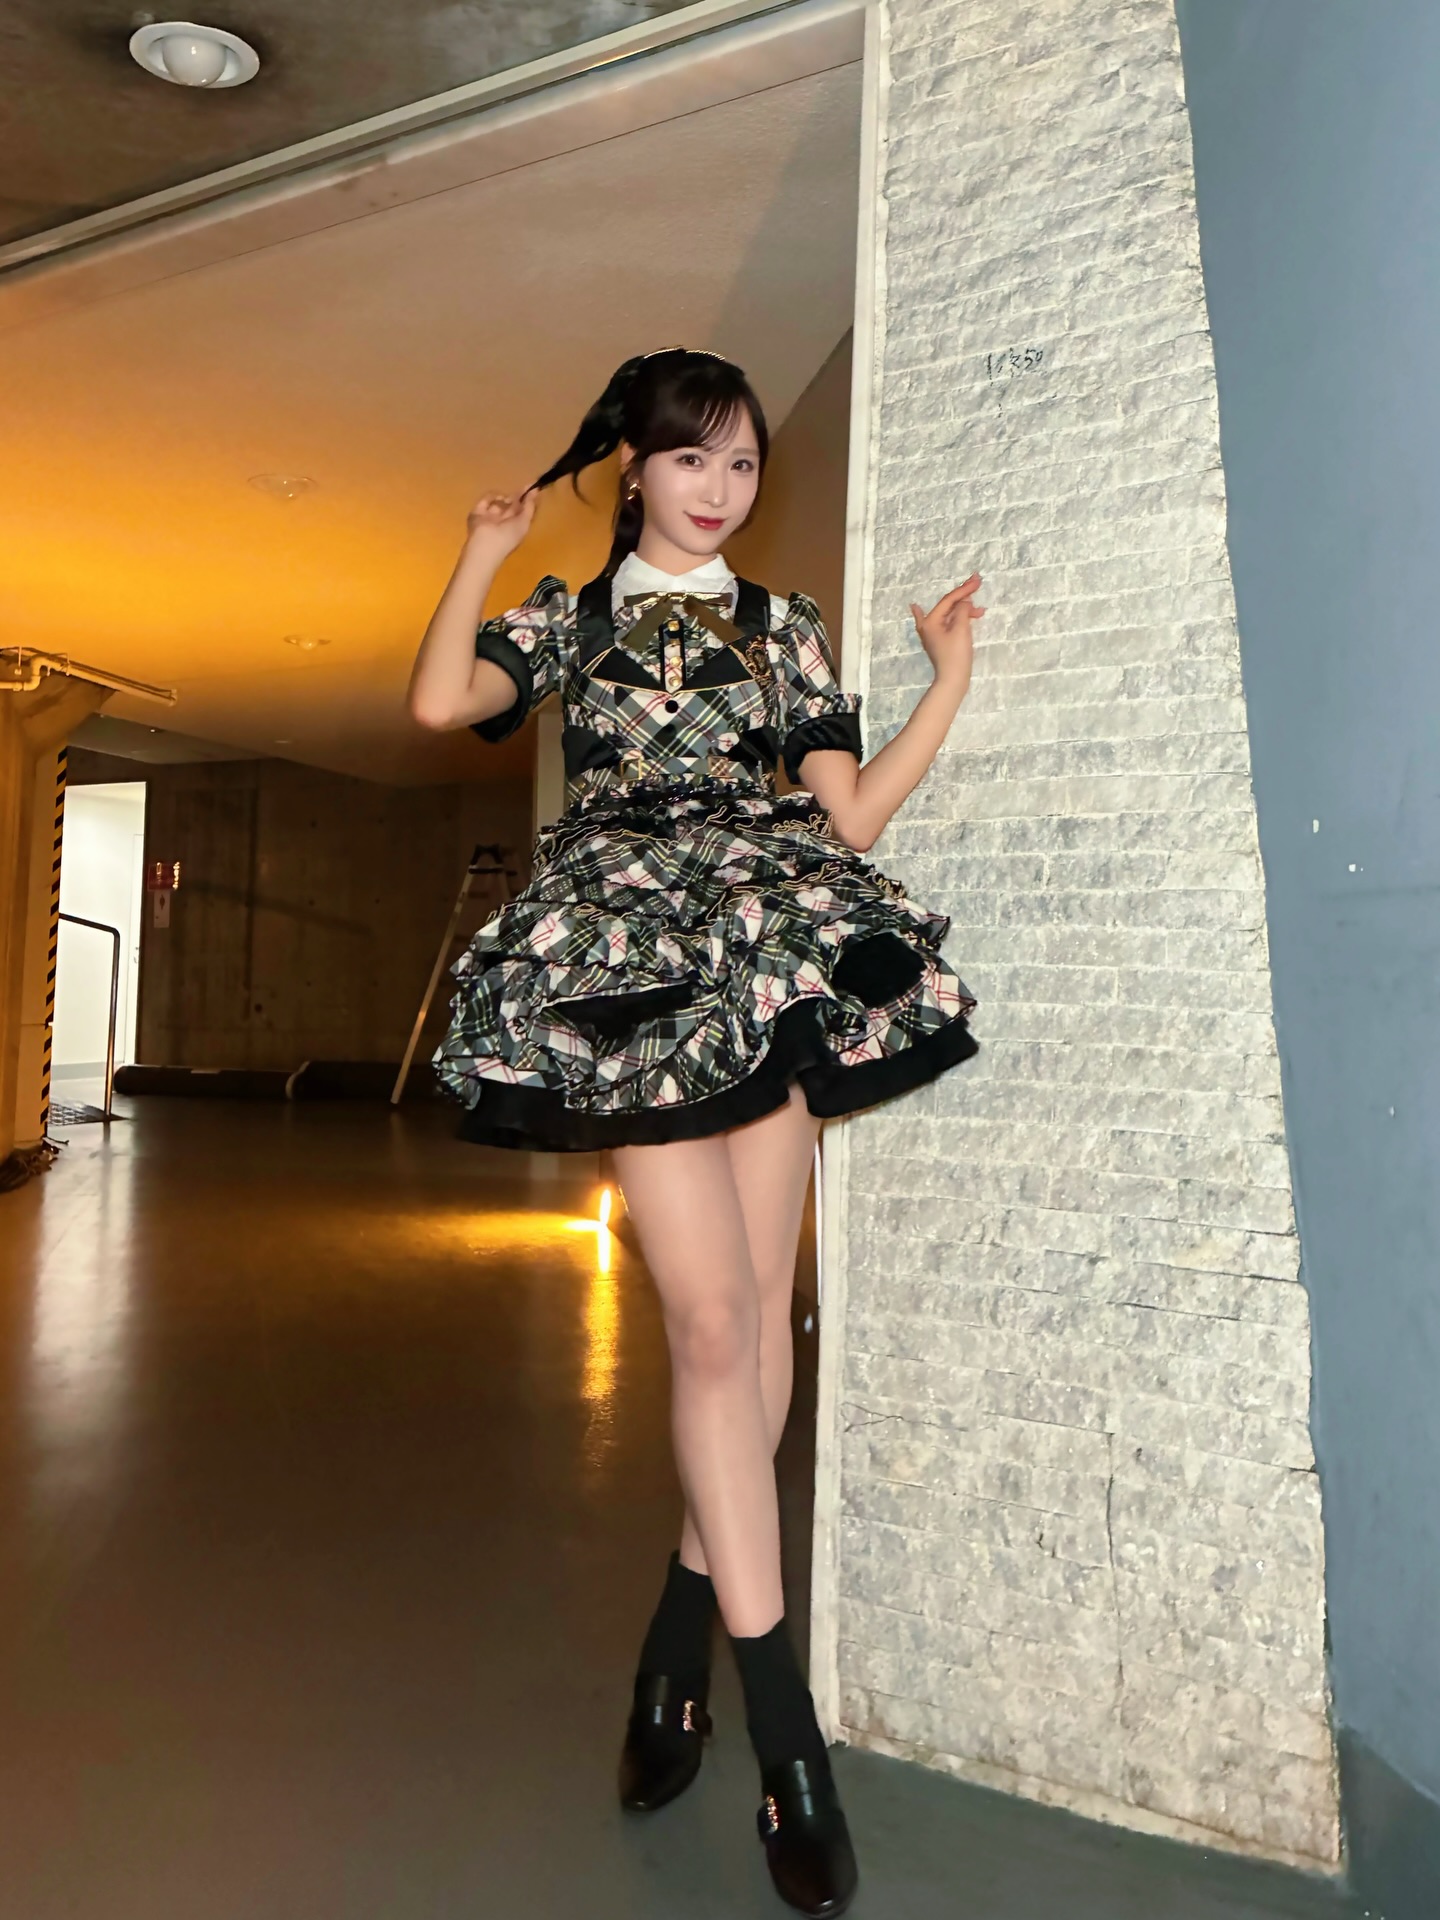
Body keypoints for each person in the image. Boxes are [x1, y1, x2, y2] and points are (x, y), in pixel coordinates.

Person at [408, 347, 982, 1918]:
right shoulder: (571, 618)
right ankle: (787, 1740)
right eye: (692, 460)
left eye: (742, 463)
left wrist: (945, 681)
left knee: (761, 1333)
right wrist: (477, 554)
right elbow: (440, 698)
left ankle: (678, 1640)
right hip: (623, 968)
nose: (721, 489)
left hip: (767, 947)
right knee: (715, 1326)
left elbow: (849, 817)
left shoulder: (784, 623)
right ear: (637, 470)